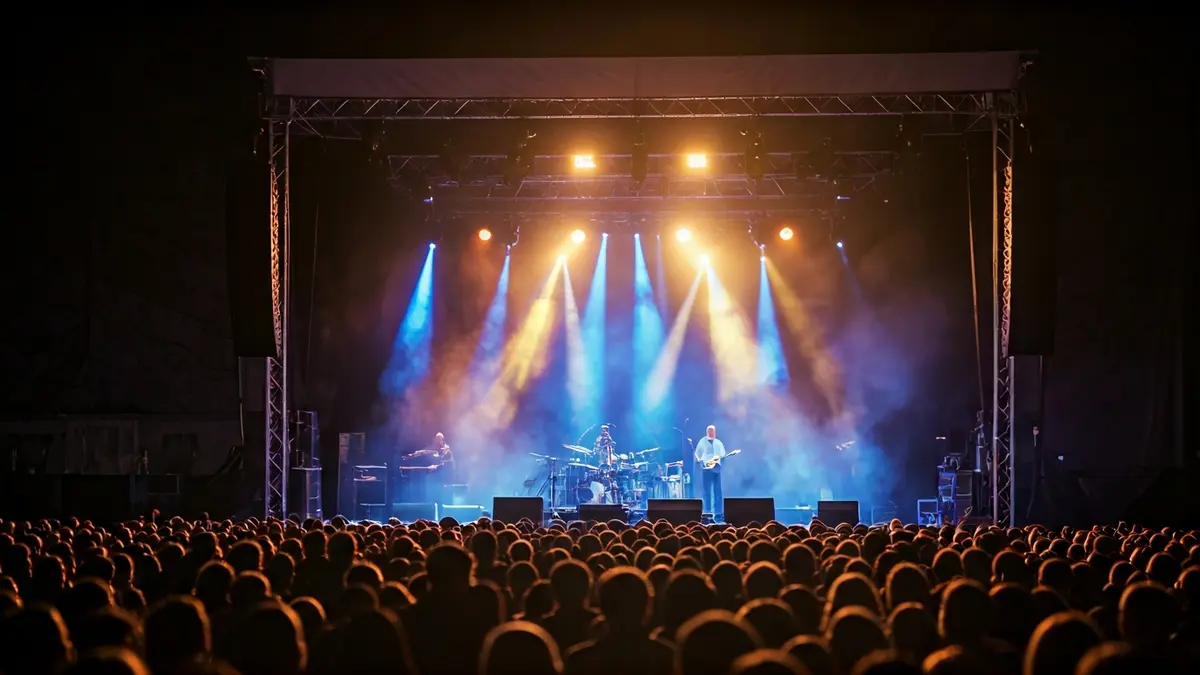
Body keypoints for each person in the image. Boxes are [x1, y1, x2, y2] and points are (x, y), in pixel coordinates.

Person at [694, 425, 727, 521]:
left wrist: (718, 461)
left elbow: (723, 455)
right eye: (709, 431)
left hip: (716, 469)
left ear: (715, 432)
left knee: (717, 491)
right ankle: (707, 512)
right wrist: (701, 461)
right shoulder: (702, 442)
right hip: (706, 469)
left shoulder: (718, 443)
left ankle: (718, 513)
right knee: (706, 491)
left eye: (712, 431)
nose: (711, 432)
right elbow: (698, 455)